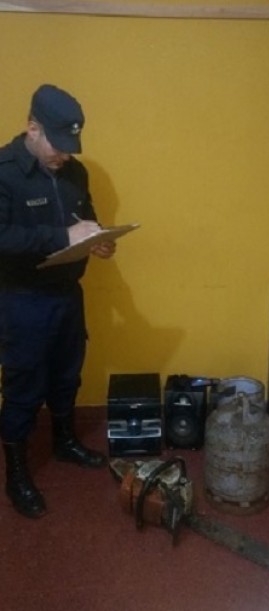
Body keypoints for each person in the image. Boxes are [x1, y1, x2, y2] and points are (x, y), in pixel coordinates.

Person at [0, 84, 116, 519]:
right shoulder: (3, 171)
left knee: (67, 374)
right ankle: (16, 472)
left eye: (72, 144)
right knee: (24, 384)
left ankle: (64, 441)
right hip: (21, 299)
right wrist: (62, 236)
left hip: (68, 293)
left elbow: (84, 219)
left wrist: (98, 239)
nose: (65, 154)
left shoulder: (74, 172)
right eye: (58, 143)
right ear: (33, 127)